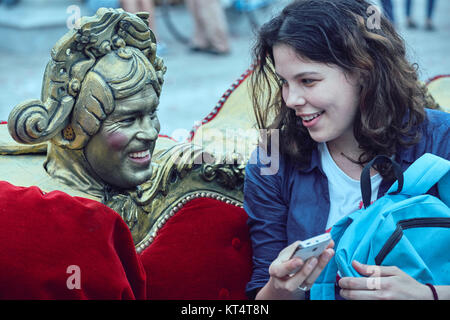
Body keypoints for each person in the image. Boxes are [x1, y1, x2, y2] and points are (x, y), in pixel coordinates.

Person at [244, 0, 450, 300]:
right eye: (284, 83)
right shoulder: (272, 161)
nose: (291, 99)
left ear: (364, 71)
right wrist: (280, 287)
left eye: (308, 81)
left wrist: (430, 295)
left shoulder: (441, 141)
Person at [0, 8, 166, 298]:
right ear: (75, 132)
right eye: (128, 120)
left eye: (151, 114)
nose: (151, 133)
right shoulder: (66, 227)